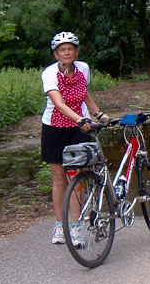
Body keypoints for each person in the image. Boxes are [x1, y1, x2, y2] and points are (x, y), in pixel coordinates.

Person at [40, 31, 109, 246]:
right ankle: (61, 225)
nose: (67, 52)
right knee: (59, 177)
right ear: (56, 54)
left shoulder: (84, 68)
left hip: (78, 128)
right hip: (55, 128)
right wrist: (80, 118)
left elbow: (85, 93)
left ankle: (77, 226)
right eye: (62, 49)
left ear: (76, 52)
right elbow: (59, 104)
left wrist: (98, 114)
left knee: (76, 176)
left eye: (70, 49)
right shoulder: (49, 73)